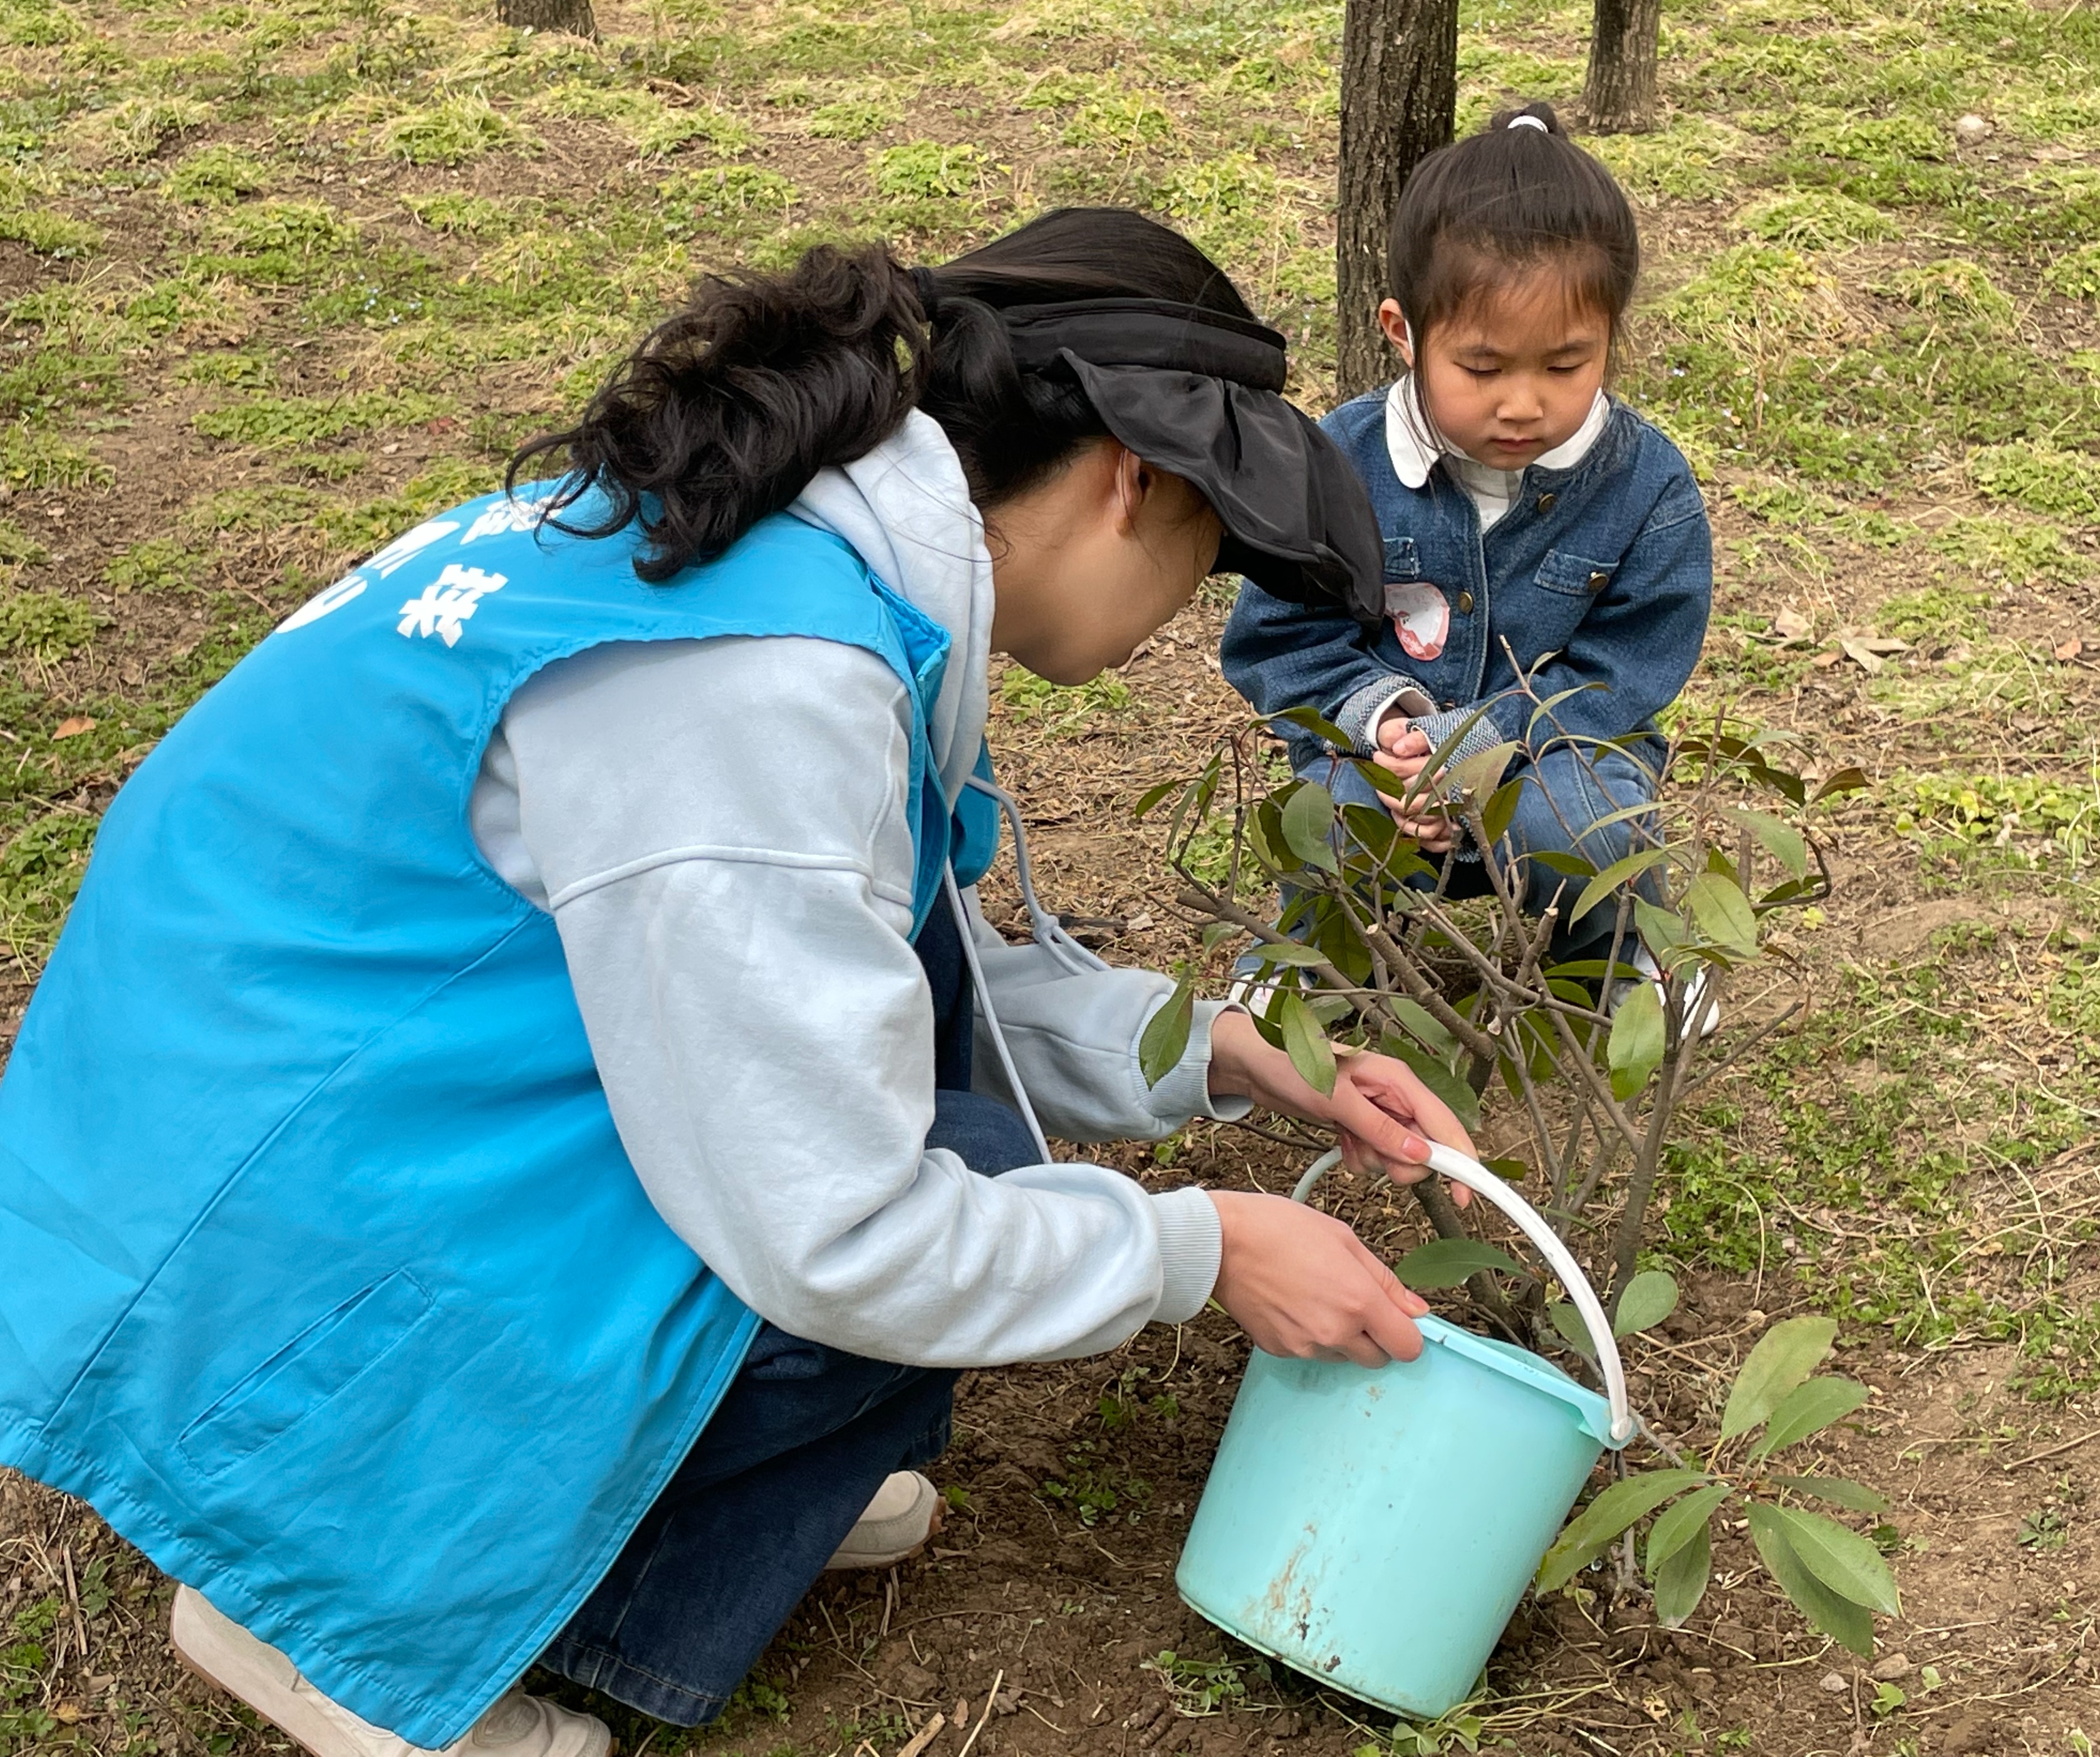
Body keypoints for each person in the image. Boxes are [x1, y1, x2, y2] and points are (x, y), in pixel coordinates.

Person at [0, 208, 1476, 1757]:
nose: (1190, 608)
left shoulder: (781, 553)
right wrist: (1203, 1246)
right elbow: (833, 1229)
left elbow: (864, 968)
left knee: (934, 1151)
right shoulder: (764, 683)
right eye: (1210, 552)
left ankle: (599, 1508)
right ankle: (318, 1596)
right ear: (1135, 479)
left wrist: (1231, 1055)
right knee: (915, 1216)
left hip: (275, 1127)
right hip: (256, 1238)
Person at [1220, 104, 1713, 964]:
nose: (1524, 404)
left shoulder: (1645, 484)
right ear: (1402, 333)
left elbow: (1626, 670)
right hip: (1380, 767)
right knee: (1328, 827)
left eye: (1566, 365)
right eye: (1482, 368)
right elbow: (1281, 641)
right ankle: (1317, 963)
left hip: (1554, 762)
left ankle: (1618, 957)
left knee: (1596, 829)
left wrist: (1486, 741)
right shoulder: (1343, 462)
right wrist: (1384, 725)